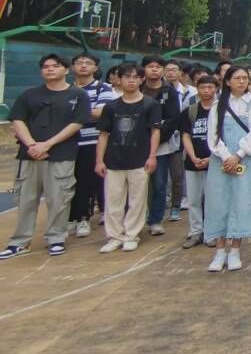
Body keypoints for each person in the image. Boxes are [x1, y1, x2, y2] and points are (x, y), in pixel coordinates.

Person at [0, 54, 91, 259]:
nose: (50, 69)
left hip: (61, 154)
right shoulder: (29, 95)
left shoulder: (78, 95)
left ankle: (56, 238)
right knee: (25, 199)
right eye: (45, 66)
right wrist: (32, 145)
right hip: (29, 155)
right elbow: (18, 120)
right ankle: (20, 242)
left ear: (66, 70)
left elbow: (77, 123)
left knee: (59, 198)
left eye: (55, 66)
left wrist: (48, 144)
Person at [93, 63, 160, 254]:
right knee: (113, 200)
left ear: (141, 79)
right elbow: (103, 134)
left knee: (137, 200)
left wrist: (152, 156)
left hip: (140, 159)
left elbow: (155, 131)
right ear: (118, 80)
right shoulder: (111, 107)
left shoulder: (150, 104)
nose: (131, 81)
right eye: (127, 77)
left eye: (135, 77)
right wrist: (99, 160)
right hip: (113, 160)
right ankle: (115, 236)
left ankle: (131, 235)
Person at [205, 65, 251, 271]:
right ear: (227, 81)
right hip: (220, 160)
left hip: (245, 159)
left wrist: (238, 155)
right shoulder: (218, 104)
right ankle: (219, 250)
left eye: (245, 78)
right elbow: (213, 135)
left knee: (242, 201)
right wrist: (226, 156)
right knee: (218, 202)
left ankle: (235, 251)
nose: (242, 81)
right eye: (237, 78)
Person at [68, 52, 113, 238]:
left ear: (96, 67)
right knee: (67, 182)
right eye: (79, 62)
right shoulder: (66, 89)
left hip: (92, 142)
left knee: (86, 182)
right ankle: (69, 218)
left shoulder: (103, 88)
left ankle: (83, 218)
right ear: (72, 67)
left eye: (88, 63)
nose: (83, 65)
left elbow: (102, 113)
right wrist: (87, 113)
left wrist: (71, 114)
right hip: (67, 142)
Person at [138, 56, 182, 237]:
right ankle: (136, 219)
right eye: (150, 66)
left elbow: (173, 119)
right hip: (136, 145)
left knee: (159, 183)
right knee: (137, 184)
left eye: (158, 66)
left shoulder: (169, 92)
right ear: (143, 69)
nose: (154, 69)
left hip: (162, 146)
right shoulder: (137, 88)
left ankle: (155, 220)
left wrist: (157, 138)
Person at [179, 74, 218, 249]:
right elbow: (185, 135)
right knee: (193, 199)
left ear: (216, 89)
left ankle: (211, 233)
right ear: (197, 89)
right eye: (203, 87)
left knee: (212, 200)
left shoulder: (220, 111)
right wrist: (193, 156)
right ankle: (196, 232)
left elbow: (223, 137)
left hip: (214, 162)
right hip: (192, 163)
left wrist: (212, 158)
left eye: (210, 87)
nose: (206, 91)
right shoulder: (190, 111)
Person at [163, 59, 192, 221]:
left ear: (180, 72)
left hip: (181, 136)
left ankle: (176, 205)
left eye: (174, 69)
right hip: (162, 135)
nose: (170, 72)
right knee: (159, 176)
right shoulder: (160, 91)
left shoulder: (189, 92)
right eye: (167, 69)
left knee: (177, 174)